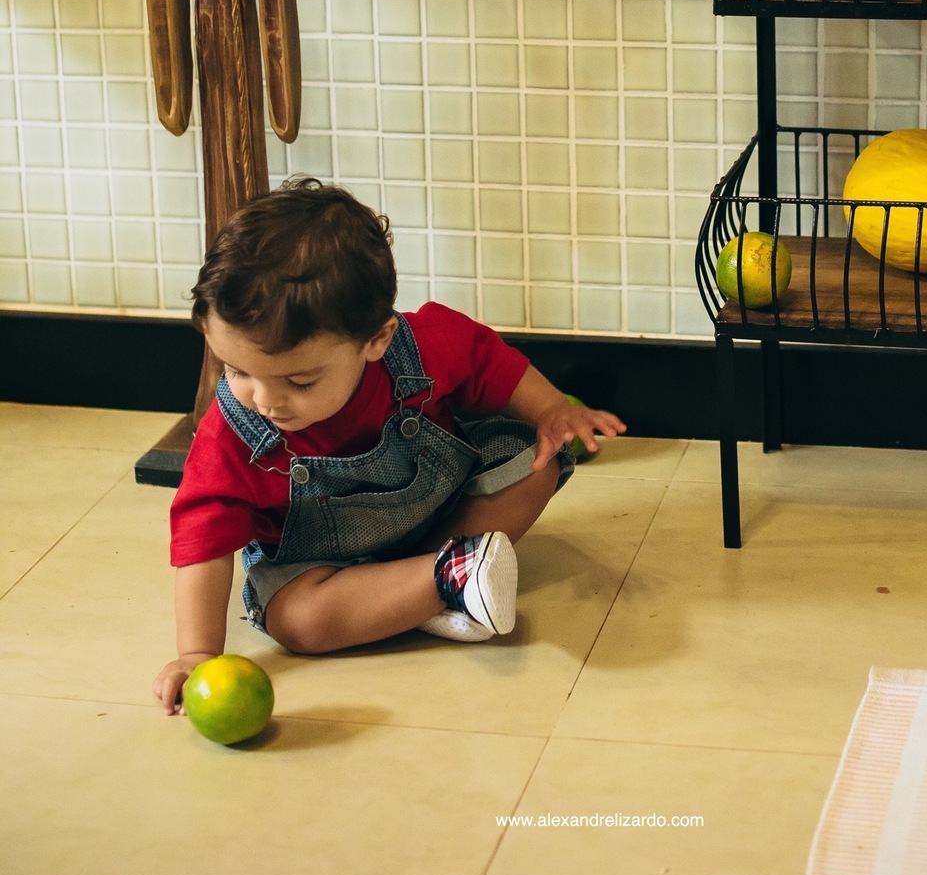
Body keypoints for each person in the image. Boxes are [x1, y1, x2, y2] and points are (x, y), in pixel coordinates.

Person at [153, 180, 625, 713]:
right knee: (297, 621)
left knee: (535, 460)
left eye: (299, 381)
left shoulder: (416, 350)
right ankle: (444, 580)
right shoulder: (234, 432)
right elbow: (204, 544)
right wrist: (196, 653)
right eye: (237, 371)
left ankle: (432, 579)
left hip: (440, 517)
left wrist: (550, 410)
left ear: (376, 339)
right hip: (322, 568)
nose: (264, 400)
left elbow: (486, 361)